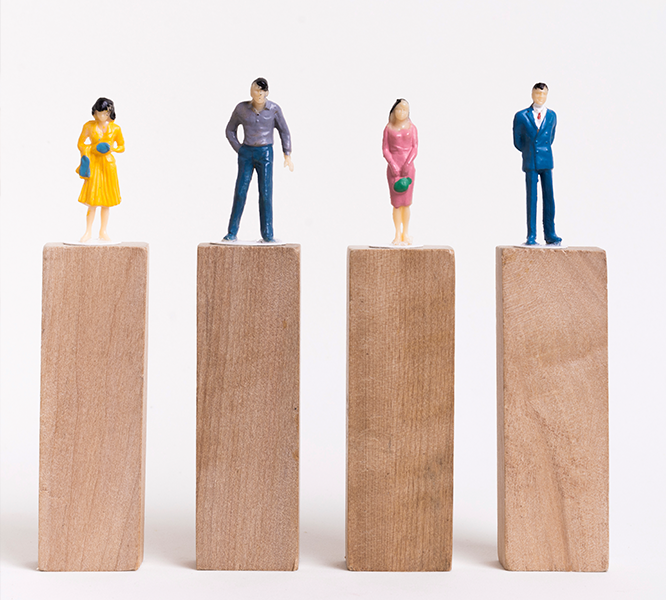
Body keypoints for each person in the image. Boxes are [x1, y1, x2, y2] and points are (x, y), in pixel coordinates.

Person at [223, 78, 293, 242]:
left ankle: (268, 235)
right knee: (240, 192)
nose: (258, 95)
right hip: (246, 152)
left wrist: (287, 153)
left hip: (265, 153)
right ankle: (232, 232)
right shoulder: (241, 109)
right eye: (255, 91)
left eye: (261, 92)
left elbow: (284, 131)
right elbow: (230, 130)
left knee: (266, 193)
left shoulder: (274, 109)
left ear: (266, 93)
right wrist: (239, 149)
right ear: (251, 91)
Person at [512, 83, 562, 246]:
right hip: (531, 160)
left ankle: (550, 233)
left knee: (549, 198)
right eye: (537, 94)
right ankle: (531, 235)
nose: (540, 97)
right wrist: (529, 150)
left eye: (543, 95)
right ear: (532, 95)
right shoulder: (521, 116)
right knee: (531, 199)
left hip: (546, 160)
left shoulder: (552, 115)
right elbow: (518, 141)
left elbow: (551, 137)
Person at [76, 97, 125, 243]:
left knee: (106, 201)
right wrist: (90, 150)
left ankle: (103, 231)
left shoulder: (116, 128)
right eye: (98, 113)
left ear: (110, 113)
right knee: (93, 200)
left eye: (104, 113)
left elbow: (122, 146)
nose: (100, 116)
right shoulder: (89, 126)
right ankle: (88, 231)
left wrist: (113, 149)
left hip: (108, 164)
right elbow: (80, 143)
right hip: (94, 164)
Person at [383, 99, 418, 245]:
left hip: (408, 168)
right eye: (398, 109)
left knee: (406, 202)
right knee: (396, 203)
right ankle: (397, 233)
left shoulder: (412, 128)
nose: (401, 112)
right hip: (394, 168)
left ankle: (406, 232)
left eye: (404, 110)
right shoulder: (388, 128)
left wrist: (408, 163)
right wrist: (393, 165)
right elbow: (385, 149)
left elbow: (415, 147)